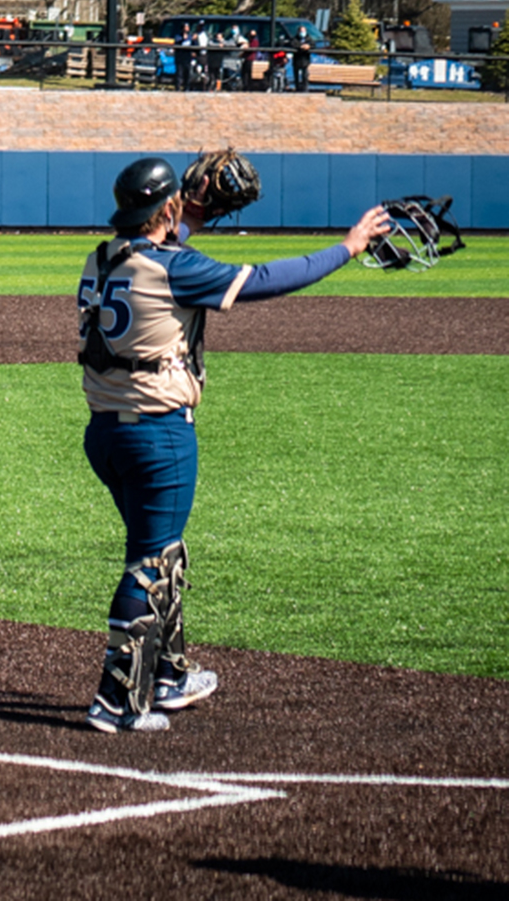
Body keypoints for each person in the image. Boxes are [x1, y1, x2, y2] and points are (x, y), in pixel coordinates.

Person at [77, 159, 393, 733]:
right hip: (158, 433)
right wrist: (348, 247)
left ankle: (168, 676)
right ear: (166, 209)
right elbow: (267, 278)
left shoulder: (102, 258)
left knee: (162, 551)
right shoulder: (176, 267)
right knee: (151, 562)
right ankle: (116, 701)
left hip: (104, 431)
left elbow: (166, 246)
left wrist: (189, 211)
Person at [292, 27, 312, 93]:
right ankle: (297, 88)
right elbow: (293, 44)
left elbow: (313, 44)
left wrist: (308, 46)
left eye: (304, 31)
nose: (302, 33)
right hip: (297, 60)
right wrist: (301, 46)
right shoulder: (295, 38)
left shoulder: (308, 38)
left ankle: (305, 89)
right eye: (301, 31)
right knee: (296, 75)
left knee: (305, 75)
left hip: (305, 60)